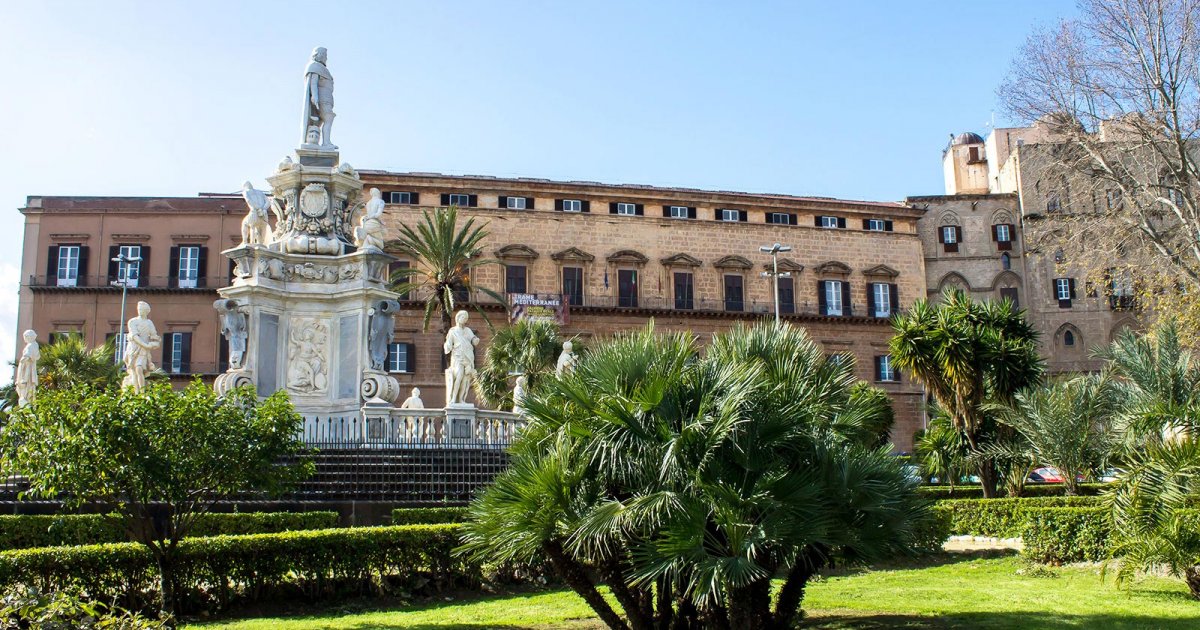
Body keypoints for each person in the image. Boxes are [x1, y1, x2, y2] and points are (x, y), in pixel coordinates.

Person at [122, 301, 161, 393]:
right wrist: (146, 345)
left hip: (143, 349)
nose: (139, 311)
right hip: (134, 347)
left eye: (142, 309)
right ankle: (136, 391)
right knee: (134, 370)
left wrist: (157, 341)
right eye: (139, 309)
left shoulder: (149, 323)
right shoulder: (132, 321)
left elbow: (153, 335)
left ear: (146, 311)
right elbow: (135, 336)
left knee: (139, 368)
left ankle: (142, 393)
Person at [443, 310, 480, 406]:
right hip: (457, 357)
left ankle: (461, 400)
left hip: (468, 357)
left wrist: (476, 340)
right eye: (463, 317)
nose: (465, 320)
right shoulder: (453, 331)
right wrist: (447, 346)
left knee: (465, 380)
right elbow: (449, 344)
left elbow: (473, 339)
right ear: (458, 318)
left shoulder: (468, 330)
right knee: (458, 377)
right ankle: (453, 399)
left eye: (466, 318)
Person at [301, 47, 336, 149]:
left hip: (327, 99)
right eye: (325, 56)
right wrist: (315, 97)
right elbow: (313, 83)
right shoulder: (314, 66)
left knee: (324, 120)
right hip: (322, 99)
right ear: (319, 55)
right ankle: (326, 143)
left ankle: (323, 142)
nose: (326, 58)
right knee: (328, 119)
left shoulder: (321, 68)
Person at [14, 330, 39, 407]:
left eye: (25, 336)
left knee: (26, 383)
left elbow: (28, 355)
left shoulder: (31, 345)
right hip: (28, 367)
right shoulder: (34, 345)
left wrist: (23, 359)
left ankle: (25, 398)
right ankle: (25, 398)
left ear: (29, 337)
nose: (25, 338)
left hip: (27, 368)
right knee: (28, 384)